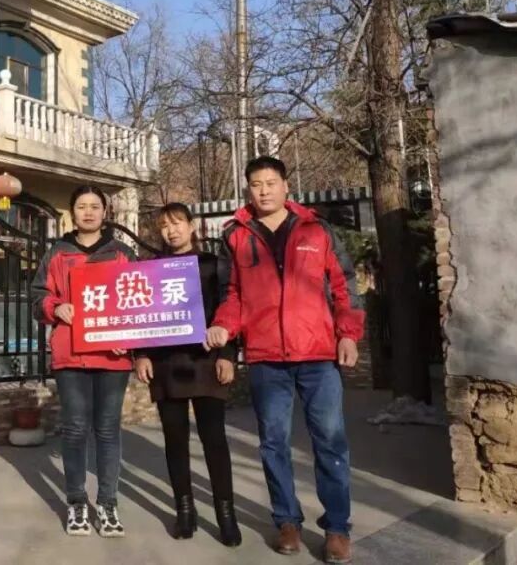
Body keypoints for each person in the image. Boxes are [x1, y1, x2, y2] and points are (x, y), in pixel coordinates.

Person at [206, 157, 364, 564]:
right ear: (248, 189)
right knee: (273, 443)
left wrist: (348, 333)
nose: (264, 190)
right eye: (256, 184)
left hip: (317, 354)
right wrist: (224, 326)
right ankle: (287, 521)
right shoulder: (235, 236)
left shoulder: (316, 229)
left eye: (271, 182)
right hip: (266, 358)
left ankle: (337, 528)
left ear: (286, 186)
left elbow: (344, 285)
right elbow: (231, 294)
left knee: (329, 440)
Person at [134, 203, 243, 546]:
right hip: (166, 364)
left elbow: (229, 308)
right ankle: (184, 510)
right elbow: (140, 314)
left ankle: (226, 514)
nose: (172, 231)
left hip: (206, 361)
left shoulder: (212, 264)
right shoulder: (151, 269)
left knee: (214, 439)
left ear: (192, 225)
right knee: (175, 439)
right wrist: (141, 354)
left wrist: (228, 355)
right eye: (165, 225)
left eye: (178, 223)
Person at [32, 185, 137, 538]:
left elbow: (139, 301)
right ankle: (76, 502)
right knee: (75, 429)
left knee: (108, 430)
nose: (88, 212)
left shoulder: (122, 254)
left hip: (112, 356)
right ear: (72, 212)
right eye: (81, 206)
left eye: (95, 206)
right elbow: (37, 297)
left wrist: (130, 340)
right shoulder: (57, 253)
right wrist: (54, 306)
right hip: (71, 355)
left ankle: (108, 503)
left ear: (105, 213)